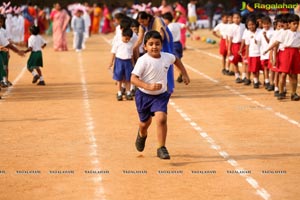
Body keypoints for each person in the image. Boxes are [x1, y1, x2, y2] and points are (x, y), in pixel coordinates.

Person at [131, 30, 190, 159]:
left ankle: (161, 147)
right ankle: (142, 134)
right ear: (145, 47)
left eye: (157, 44)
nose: (154, 47)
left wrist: (184, 73)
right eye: (151, 44)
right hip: (144, 96)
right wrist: (148, 86)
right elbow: (133, 79)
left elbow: (176, 60)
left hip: (160, 95)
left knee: (161, 119)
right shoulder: (143, 60)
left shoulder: (167, 57)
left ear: (161, 45)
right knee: (144, 123)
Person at [134, 11, 175, 93]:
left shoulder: (157, 20)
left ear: (148, 18)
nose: (142, 23)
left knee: (166, 63)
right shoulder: (142, 26)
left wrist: (155, 47)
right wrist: (133, 48)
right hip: (154, 43)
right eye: (140, 22)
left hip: (163, 42)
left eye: (143, 21)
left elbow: (161, 35)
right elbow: (139, 39)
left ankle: (168, 88)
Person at [264, 14, 300, 101]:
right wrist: (268, 49)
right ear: (289, 24)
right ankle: (280, 92)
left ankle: (293, 93)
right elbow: (276, 43)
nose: (296, 26)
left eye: (297, 24)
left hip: (295, 53)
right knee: (283, 74)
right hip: (285, 53)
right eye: (294, 23)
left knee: (294, 75)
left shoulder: (299, 34)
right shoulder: (284, 33)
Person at [162, 12, 192, 83]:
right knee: (179, 60)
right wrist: (191, 32)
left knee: (175, 61)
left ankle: (181, 73)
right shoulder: (177, 24)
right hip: (179, 43)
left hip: (173, 44)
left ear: (166, 19)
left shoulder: (168, 27)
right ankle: (180, 72)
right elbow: (185, 26)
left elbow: (168, 36)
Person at [108, 28, 135, 101]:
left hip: (128, 62)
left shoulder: (130, 44)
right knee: (119, 78)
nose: (127, 40)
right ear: (122, 35)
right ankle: (119, 92)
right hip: (119, 61)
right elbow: (113, 53)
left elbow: (131, 55)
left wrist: (133, 63)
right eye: (126, 38)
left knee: (128, 78)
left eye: (128, 39)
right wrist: (111, 62)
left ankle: (128, 92)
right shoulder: (117, 43)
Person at [256, 16, 274, 90]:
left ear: (270, 24)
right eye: (264, 24)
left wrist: (265, 36)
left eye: (267, 24)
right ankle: (266, 81)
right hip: (263, 53)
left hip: (270, 53)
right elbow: (258, 42)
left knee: (271, 68)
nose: (266, 25)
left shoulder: (272, 31)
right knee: (265, 68)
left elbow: (271, 43)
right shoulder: (260, 32)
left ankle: (271, 82)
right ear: (262, 24)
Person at [227, 12, 246, 83]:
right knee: (235, 61)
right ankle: (237, 75)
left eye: (238, 18)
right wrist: (229, 49)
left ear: (240, 18)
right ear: (232, 19)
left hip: (243, 45)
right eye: (234, 18)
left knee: (244, 61)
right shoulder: (231, 27)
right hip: (235, 45)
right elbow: (230, 39)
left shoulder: (244, 26)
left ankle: (244, 76)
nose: (236, 19)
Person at [244, 15, 262, 88]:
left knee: (260, 69)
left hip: (260, 53)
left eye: (253, 24)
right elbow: (247, 45)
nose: (251, 26)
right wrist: (247, 55)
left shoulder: (260, 32)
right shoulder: (247, 33)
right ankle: (255, 81)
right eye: (249, 25)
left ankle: (263, 81)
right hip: (252, 54)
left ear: (256, 24)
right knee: (254, 69)